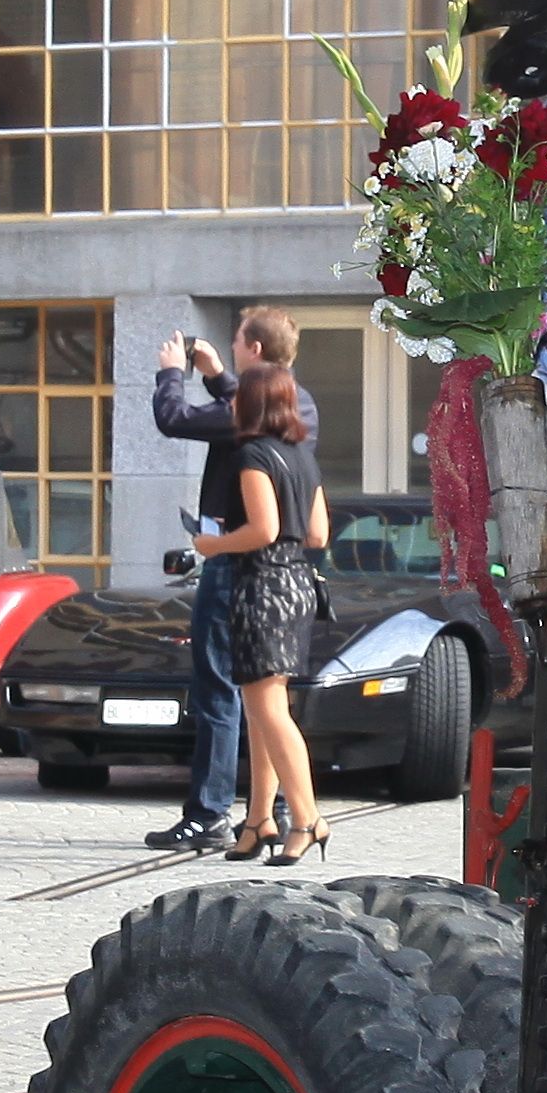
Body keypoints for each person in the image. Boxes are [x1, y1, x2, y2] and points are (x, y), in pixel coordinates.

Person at [139, 303, 305, 853]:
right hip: (290, 575)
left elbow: (176, 420)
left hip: (243, 568)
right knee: (269, 699)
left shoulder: (249, 426)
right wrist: (216, 375)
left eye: (235, 341)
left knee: (226, 688)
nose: (230, 346)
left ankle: (238, 812)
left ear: (254, 350)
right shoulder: (296, 408)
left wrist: (171, 372)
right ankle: (270, 813)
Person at [196, 359, 332, 864]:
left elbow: (264, 529)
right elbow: (317, 535)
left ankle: (308, 817)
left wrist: (214, 544)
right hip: (298, 583)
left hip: (262, 583)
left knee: (269, 710)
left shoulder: (251, 454)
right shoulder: (303, 456)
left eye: (237, 398)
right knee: (262, 709)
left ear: (250, 403)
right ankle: (258, 820)